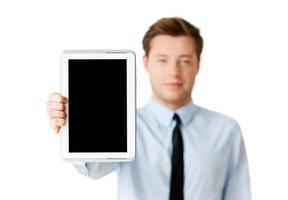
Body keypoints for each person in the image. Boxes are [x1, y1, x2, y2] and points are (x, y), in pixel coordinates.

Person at [47, 17, 251, 200]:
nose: (173, 72)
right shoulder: (124, 124)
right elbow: (93, 168)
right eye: (162, 60)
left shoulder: (226, 130)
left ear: (198, 65)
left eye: (185, 61)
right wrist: (74, 123)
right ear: (146, 63)